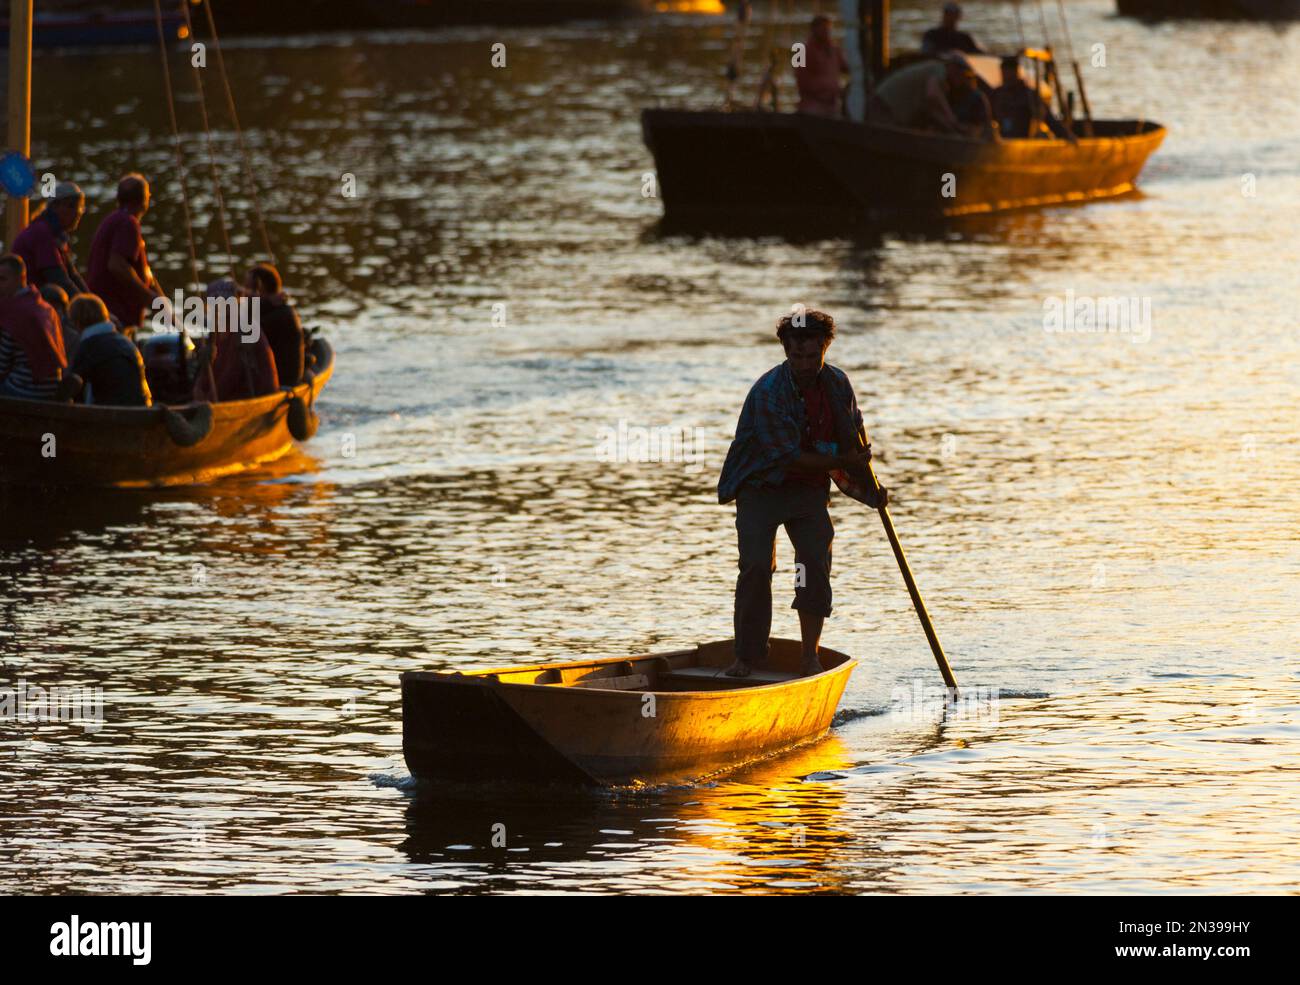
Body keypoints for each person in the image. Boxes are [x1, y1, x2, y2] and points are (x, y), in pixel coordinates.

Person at [717, 309, 888, 679]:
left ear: (825, 349)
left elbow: (853, 438)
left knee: (812, 566)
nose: (806, 364)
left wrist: (870, 485)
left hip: (808, 491)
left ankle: (808, 656)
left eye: (814, 356)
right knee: (757, 567)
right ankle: (746, 658)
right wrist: (843, 458)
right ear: (785, 350)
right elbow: (789, 457)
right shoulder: (768, 393)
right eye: (798, 356)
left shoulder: (838, 384)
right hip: (760, 487)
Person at [86, 173, 164, 329]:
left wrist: (158, 297)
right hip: (115, 315)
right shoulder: (128, 223)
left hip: (106, 311)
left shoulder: (112, 220)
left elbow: (141, 270)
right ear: (144, 200)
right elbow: (117, 265)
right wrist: (147, 297)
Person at [192, 278, 279, 402]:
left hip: (256, 397)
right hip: (229, 396)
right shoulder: (216, 332)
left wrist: (209, 400)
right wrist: (198, 389)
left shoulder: (244, 331)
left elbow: (232, 375)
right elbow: (208, 368)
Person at [0, 254, 67, 401]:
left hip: (24, 390)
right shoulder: (45, 307)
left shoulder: (13, 313)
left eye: (3, 279)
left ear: (20, 279)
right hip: (51, 389)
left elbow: (2, 366)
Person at [66, 293, 151, 407]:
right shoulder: (126, 342)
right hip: (140, 410)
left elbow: (74, 388)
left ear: (77, 321)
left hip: (110, 414)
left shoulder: (88, 346)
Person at [870, 54, 982, 136]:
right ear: (953, 67)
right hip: (883, 106)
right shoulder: (939, 69)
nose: (962, 80)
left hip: (885, 107)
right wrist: (952, 118)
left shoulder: (939, 81)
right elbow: (932, 94)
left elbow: (933, 110)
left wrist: (954, 129)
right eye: (962, 74)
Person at [11, 181, 89, 296]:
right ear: (54, 206)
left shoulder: (57, 235)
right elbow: (57, 278)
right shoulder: (42, 232)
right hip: (26, 301)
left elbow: (73, 276)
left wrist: (94, 302)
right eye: (72, 206)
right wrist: (86, 306)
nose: (78, 212)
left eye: (80, 207)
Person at [244, 262, 305, 386]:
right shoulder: (271, 307)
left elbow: (247, 333)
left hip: (282, 381)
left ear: (260, 288)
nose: (245, 293)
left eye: (248, 288)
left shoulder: (282, 315)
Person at [991, 55, 1074, 140]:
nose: (1007, 77)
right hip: (1002, 141)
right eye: (1004, 74)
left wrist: (1066, 135)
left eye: (1009, 73)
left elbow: (1049, 119)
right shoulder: (997, 94)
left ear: (1016, 72)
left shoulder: (1028, 94)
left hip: (1025, 141)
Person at [794, 14, 849, 117]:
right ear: (813, 30)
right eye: (823, 29)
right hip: (812, 105)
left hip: (832, 104)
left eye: (828, 29)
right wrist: (824, 89)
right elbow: (800, 80)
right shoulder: (801, 51)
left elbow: (848, 69)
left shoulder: (834, 50)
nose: (826, 32)